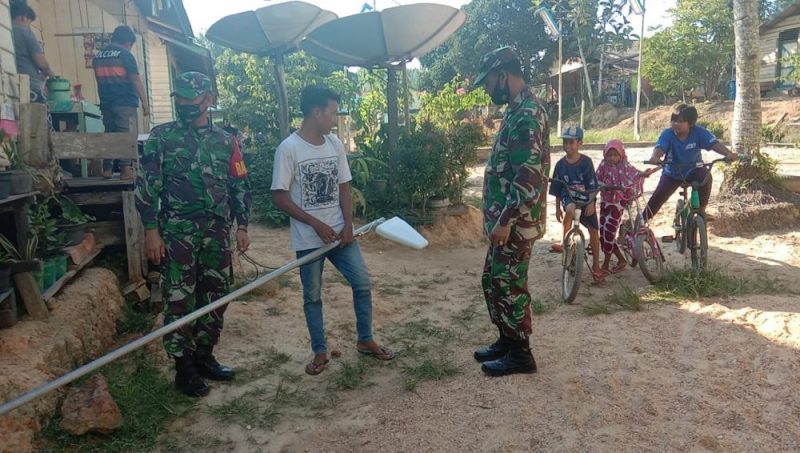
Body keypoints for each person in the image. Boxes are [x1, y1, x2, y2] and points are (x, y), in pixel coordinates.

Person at [135, 72, 251, 397]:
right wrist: (150, 232)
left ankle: (204, 355)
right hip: (177, 233)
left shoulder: (228, 141)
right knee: (179, 297)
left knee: (217, 293)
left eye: (192, 98)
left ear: (209, 99)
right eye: (180, 99)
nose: (185, 104)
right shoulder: (161, 138)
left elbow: (240, 184)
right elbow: (146, 187)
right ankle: (183, 367)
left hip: (216, 232)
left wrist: (242, 225)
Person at [271, 85, 394, 376]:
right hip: (308, 239)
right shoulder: (289, 149)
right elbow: (279, 196)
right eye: (332, 113)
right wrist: (315, 223)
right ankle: (320, 351)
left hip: (341, 235)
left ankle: (365, 340)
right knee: (312, 295)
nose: (335, 120)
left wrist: (348, 225)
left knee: (362, 282)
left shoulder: (334, 145)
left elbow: (344, 186)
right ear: (316, 112)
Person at [472, 47, 549, 377]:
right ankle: (507, 338)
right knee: (493, 280)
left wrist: (504, 220)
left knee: (509, 284)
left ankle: (521, 354)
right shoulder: (517, 110)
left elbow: (527, 176)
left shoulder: (527, 114)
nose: (488, 90)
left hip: (515, 224)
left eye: (489, 82)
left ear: (503, 74)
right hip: (506, 222)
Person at [644, 104, 737, 221]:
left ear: (691, 123)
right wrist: (655, 157)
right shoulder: (667, 134)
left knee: (706, 178)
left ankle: (702, 211)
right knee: (657, 199)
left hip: (694, 170)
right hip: (672, 173)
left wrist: (728, 154)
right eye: (674, 120)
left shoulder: (699, 133)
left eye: (681, 121)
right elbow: (660, 148)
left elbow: (714, 144)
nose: (676, 124)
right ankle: (640, 222)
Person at [549, 126, 604, 284]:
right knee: (570, 211)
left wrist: (591, 203)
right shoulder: (560, 165)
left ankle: (596, 265)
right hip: (569, 197)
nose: (568, 146)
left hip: (586, 198)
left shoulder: (586, 162)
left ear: (580, 143)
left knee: (594, 230)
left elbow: (592, 186)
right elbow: (557, 188)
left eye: (571, 142)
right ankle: (565, 242)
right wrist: (556, 208)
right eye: (565, 142)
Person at [93, 25, 149, 180]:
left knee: (110, 133)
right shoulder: (125, 55)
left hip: (106, 102)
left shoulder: (98, 57)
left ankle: (107, 169)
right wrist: (144, 101)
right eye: (131, 45)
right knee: (126, 134)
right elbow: (135, 79)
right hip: (125, 102)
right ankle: (125, 169)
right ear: (127, 42)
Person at [595, 139, 658, 274]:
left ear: (621, 155)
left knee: (609, 234)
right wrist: (601, 186)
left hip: (617, 205)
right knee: (603, 234)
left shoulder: (624, 166)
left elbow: (634, 172)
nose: (612, 158)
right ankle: (621, 260)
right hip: (605, 203)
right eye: (609, 155)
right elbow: (595, 179)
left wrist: (644, 173)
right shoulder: (603, 165)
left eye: (615, 155)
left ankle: (605, 264)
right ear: (605, 155)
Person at [11, 3, 54, 102]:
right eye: (29, 23)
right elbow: (42, 63)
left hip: (12, 88)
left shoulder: (7, 32)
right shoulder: (25, 32)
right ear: (23, 17)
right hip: (30, 90)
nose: (28, 26)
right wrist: (52, 76)